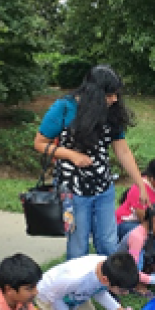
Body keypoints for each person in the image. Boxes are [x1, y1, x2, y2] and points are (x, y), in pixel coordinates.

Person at [34, 65, 147, 260]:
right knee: (78, 245)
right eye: (109, 95)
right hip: (73, 190)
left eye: (116, 94)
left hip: (103, 186)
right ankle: (78, 289)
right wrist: (71, 155)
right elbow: (39, 143)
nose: (114, 99)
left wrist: (140, 184)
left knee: (108, 242)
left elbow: (123, 151)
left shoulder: (111, 112)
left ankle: (109, 284)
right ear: (94, 94)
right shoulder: (65, 108)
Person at [34, 252, 138, 310]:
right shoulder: (74, 278)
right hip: (49, 297)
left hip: (77, 295)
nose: (125, 294)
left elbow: (99, 292)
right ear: (105, 280)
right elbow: (54, 296)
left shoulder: (108, 270)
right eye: (122, 291)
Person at [116, 203, 155, 296]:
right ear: (154, 219)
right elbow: (132, 269)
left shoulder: (149, 233)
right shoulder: (137, 237)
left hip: (134, 268)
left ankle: (144, 278)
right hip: (123, 272)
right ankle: (137, 285)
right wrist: (154, 279)